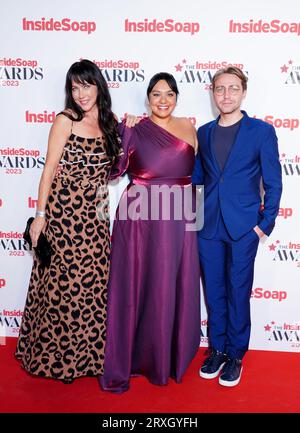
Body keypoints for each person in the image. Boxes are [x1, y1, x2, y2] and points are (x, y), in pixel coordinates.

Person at [16, 59, 122, 383]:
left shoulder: (110, 123)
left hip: (96, 218)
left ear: (98, 86)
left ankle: (89, 359)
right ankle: (56, 360)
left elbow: (116, 168)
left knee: (91, 288)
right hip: (63, 217)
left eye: (86, 85)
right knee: (63, 288)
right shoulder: (65, 121)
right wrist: (40, 216)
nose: (81, 93)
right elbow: (48, 170)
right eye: (75, 87)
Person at [99, 72, 201, 393]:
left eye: (169, 94)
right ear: (147, 99)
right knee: (137, 281)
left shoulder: (189, 127)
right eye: (156, 94)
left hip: (179, 211)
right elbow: (115, 170)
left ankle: (169, 356)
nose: (162, 100)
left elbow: (195, 176)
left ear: (176, 97)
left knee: (173, 281)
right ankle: (135, 356)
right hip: (140, 211)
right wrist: (122, 132)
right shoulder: (136, 127)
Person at [192, 66, 282, 387]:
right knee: (214, 292)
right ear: (212, 93)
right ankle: (216, 349)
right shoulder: (203, 132)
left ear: (244, 92)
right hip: (209, 227)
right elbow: (198, 181)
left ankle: (235, 355)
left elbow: (273, 182)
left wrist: (264, 225)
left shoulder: (261, 131)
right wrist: (196, 221)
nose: (226, 95)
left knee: (237, 291)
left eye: (233, 88)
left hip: (244, 227)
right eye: (220, 89)